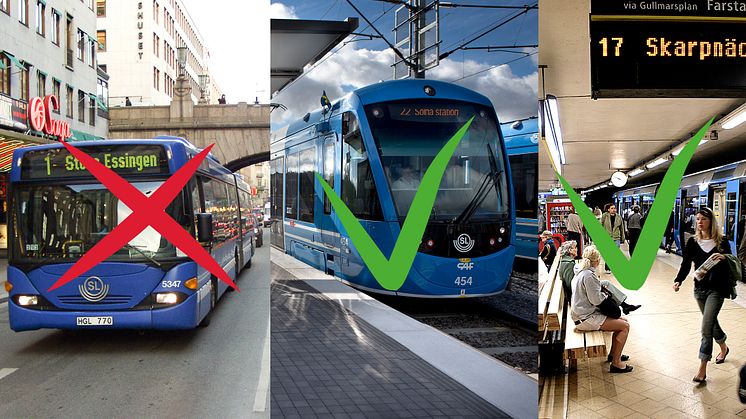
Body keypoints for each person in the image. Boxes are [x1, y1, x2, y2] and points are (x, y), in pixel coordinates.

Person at [673, 207, 731, 383]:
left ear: (711, 221)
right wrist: (679, 280)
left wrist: (724, 258)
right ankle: (724, 348)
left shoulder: (722, 242)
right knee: (711, 323)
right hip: (699, 289)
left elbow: (731, 262)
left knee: (706, 328)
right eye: (697, 219)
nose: (699, 222)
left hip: (717, 289)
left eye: (703, 219)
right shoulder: (692, 242)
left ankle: (702, 369)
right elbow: (685, 263)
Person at [571, 245, 633, 373]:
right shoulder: (589, 276)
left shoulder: (581, 271)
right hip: (585, 318)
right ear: (597, 261)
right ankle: (616, 363)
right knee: (624, 326)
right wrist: (605, 295)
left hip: (583, 314)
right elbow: (596, 300)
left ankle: (613, 355)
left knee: (623, 320)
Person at [601, 204, 626, 273]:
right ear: (608, 209)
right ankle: (608, 268)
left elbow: (622, 228)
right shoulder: (604, 216)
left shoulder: (619, 217)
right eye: (612, 208)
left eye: (614, 208)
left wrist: (623, 238)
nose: (614, 210)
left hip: (616, 237)